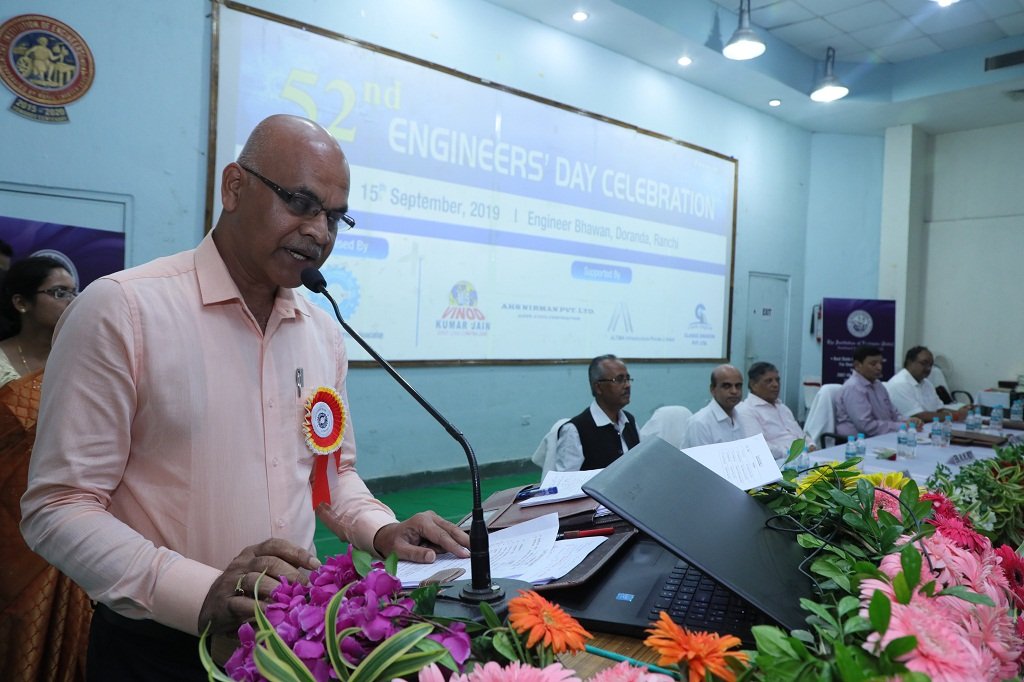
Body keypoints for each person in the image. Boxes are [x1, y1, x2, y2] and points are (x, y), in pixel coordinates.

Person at [20, 115, 470, 680]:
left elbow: (329, 474)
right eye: (301, 202)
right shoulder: (122, 310)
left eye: (334, 217)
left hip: (291, 641)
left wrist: (381, 529)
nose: (319, 232)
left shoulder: (320, 330)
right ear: (234, 187)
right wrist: (200, 592)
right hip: (160, 648)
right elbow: (57, 507)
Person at [0, 256, 90, 681]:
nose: (71, 301)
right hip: (8, 531)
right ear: (20, 302)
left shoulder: (85, 366)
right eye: (59, 293)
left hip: (71, 525)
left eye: (74, 292)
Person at [553, 354, 639, 471]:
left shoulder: (629, 421)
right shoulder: (575, 430)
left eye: (628, 379)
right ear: (598, 387)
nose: (628, 385)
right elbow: (567, 483)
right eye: (619, 380)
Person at [835, 344, 919, 437]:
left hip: (882, 435)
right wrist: (901, 426)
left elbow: (893, 414)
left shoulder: (878, 385)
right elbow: (866, 426)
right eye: (873, 364)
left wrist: (908, 421)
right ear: (857, 365)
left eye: (880, 363)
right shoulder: (853, 388)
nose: (879, 367)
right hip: (857, 442)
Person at [738, 361, 814, 462]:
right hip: (780, 461)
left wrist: (811, 444)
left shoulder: (782, 408)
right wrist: (792, 452)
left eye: (777, 380)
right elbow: (758, 447)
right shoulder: (747, 410)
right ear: (754, 385)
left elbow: (799, 433)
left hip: (803, 457)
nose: (775, 385)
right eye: (769, 381)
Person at [681, 364, 757, 448]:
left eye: (738, 386)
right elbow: (700, 460)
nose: (734, 391)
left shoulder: (740, 416)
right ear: (713, 389)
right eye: (727, 386)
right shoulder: (700, 423)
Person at [885, 346, 967, 422]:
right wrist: (954, 415)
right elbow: (919, 416)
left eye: (931, 365)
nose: (928, 368)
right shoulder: (900, 383)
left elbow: (939, 409)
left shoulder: (927, 383)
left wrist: (961, 412)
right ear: (910, 362)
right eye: (924, 363)